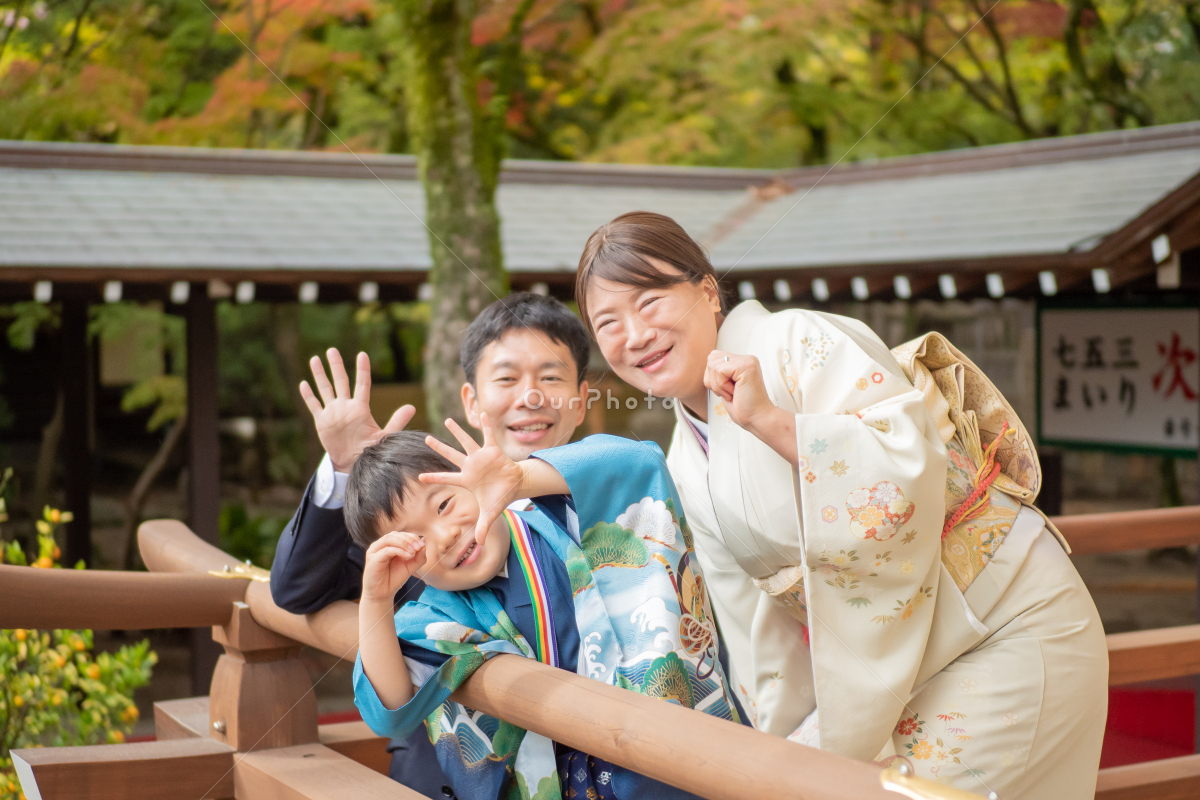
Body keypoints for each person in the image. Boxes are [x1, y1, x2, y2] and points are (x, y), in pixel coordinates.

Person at [572, 211, 1108, 799]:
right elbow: (751, 618)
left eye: (649, 302)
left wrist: (771, 422)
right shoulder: (685, 455)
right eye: (608, 323)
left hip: (999, 624)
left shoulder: (799, 341)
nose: (635, 335)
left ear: (707, 292)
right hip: (895, 669)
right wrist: (771, 747)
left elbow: (906, 464)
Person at [270, 292, 591, 798]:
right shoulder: (423, 495)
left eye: (550, 378)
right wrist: (349, 470)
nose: (530, 397)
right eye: (507, 379)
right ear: (471, 401)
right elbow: (295, 590)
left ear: (582, 397)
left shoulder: (611, 505)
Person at [346, 421, 743, 800]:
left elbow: (641, 463)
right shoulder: (438, 613)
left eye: (445, 504)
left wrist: (522, 478)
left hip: (666, 765)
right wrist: (375, 600)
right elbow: (390, 712)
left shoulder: (562, 518)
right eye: (414, 540)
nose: (445, 536)